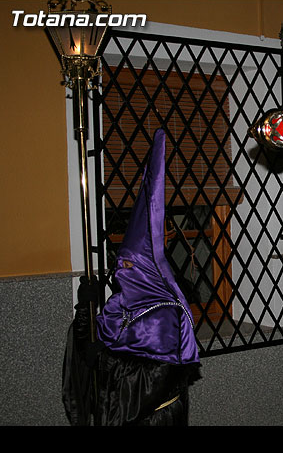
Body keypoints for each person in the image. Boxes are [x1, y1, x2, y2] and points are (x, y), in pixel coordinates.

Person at [62, 129, 201, 426]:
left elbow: (151, 381)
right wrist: (85, 308)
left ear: (147, 272)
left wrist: (103, 357)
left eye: (128, 265)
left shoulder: (167, 315)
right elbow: (93, 344)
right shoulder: (123, 305)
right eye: (119, 264)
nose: (120, 272)